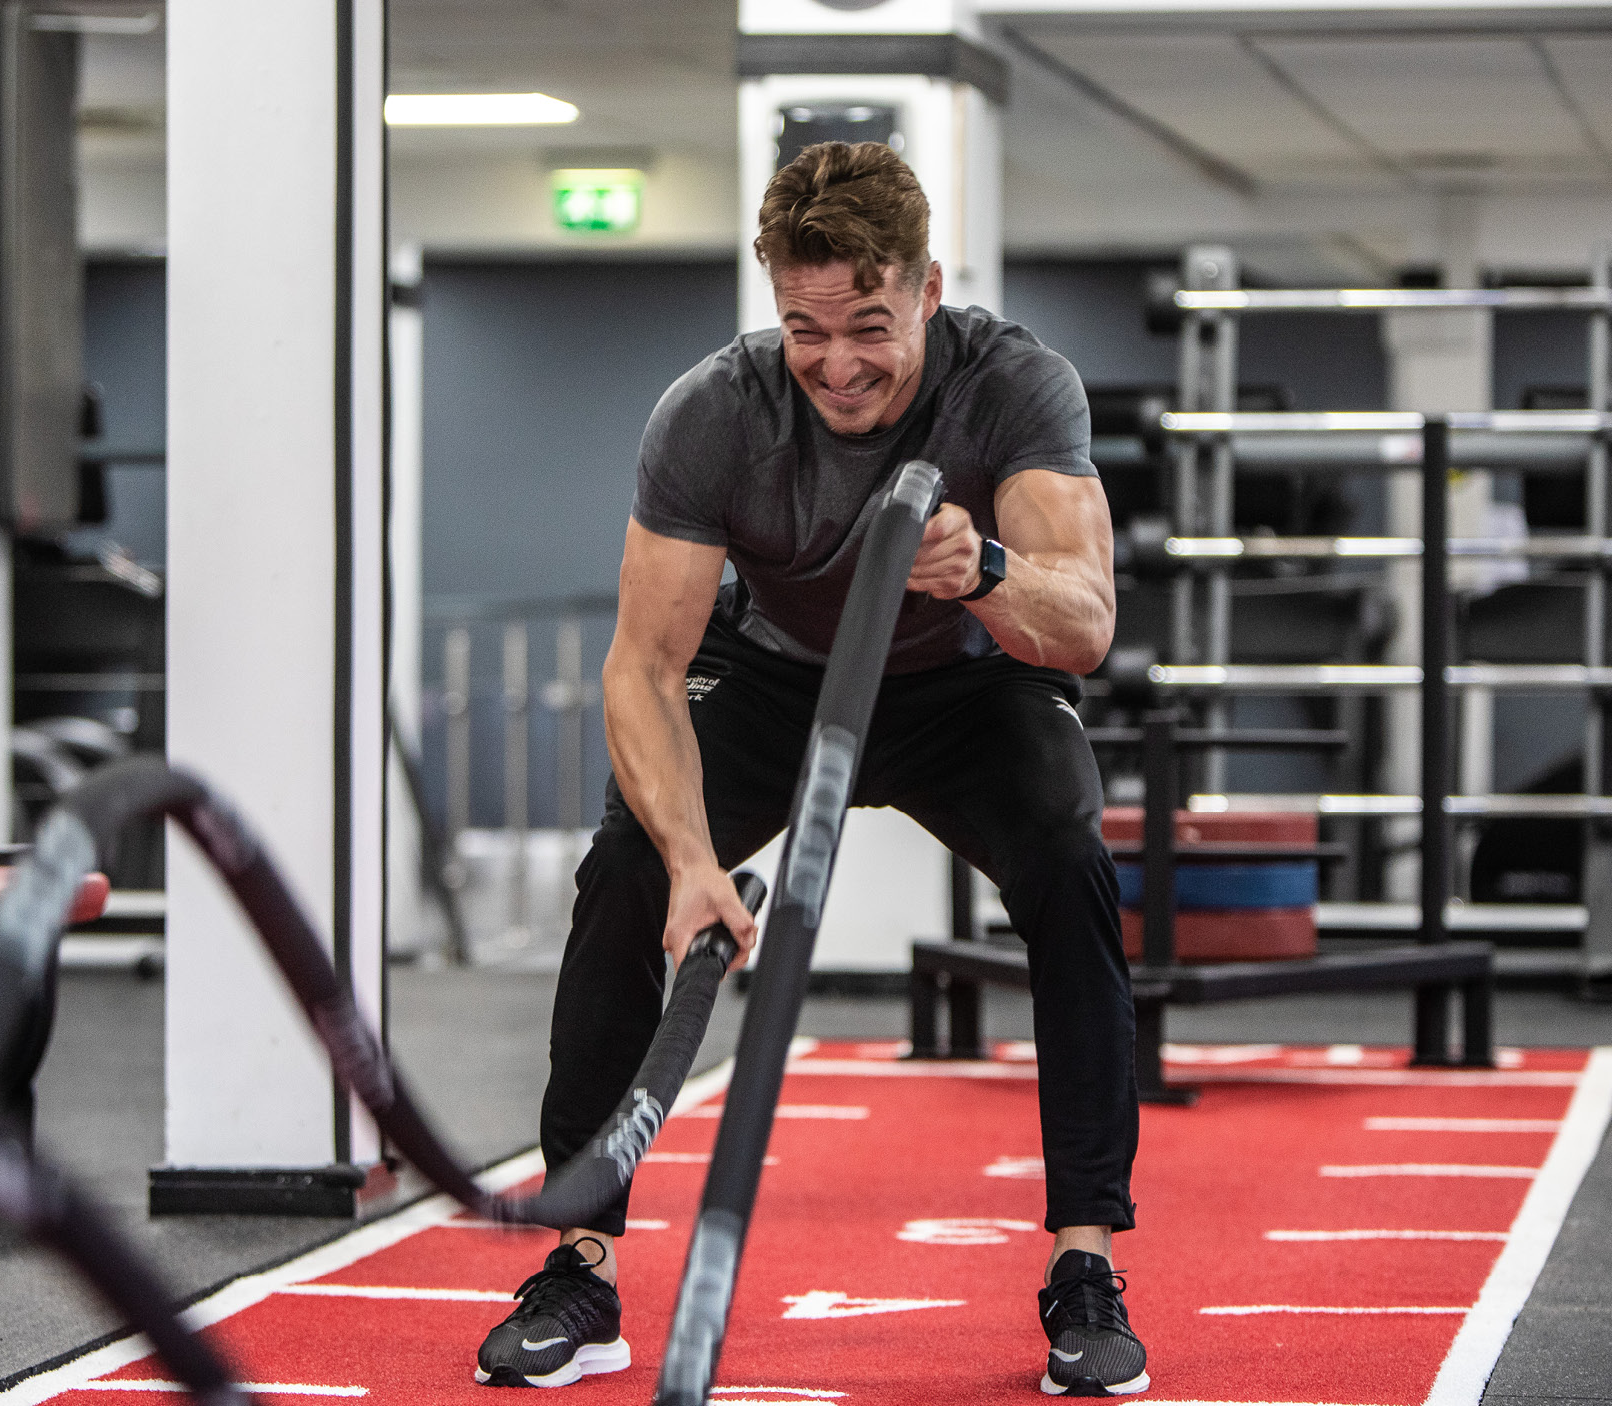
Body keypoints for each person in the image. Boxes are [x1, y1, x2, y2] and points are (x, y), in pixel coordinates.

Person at [471, 141, 1145, 1397]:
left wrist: (987, 567)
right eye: (805, 330)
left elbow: (1086, 623)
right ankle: (578, 1263)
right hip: (778, 677)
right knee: (621, 867)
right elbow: (642, 669)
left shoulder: (1016, 384)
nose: (838, 364)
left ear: (928, 290)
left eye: (870, 327)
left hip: (965, 675)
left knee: (1069, 861)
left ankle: (1084, 1266)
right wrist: (689, 865)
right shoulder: (714, 412)